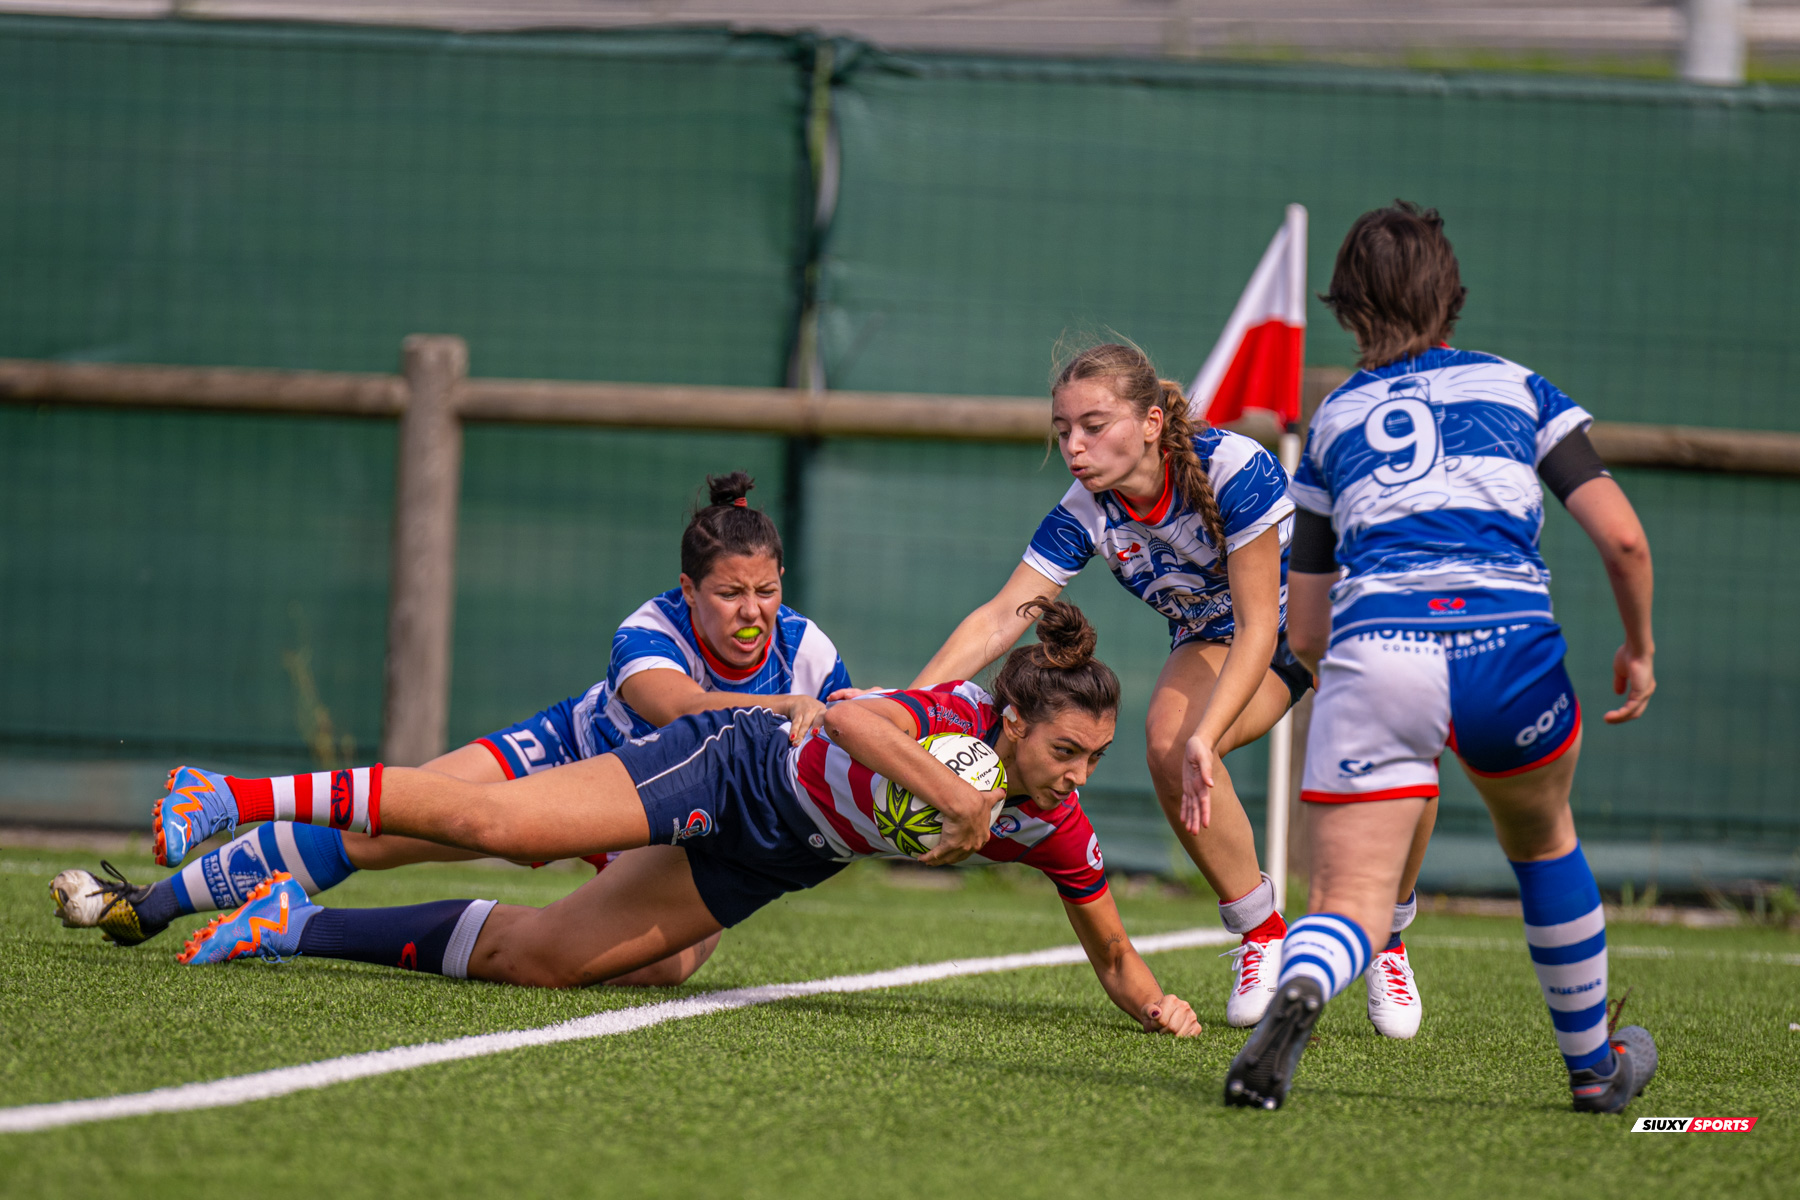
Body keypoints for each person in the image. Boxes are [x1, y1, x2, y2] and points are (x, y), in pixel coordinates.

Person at [159, 600, 1203, 1037]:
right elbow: (846, 720)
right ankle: (234, 795)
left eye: (1094, 760)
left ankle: (291, 923)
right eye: (1064, 752)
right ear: (1011, 722)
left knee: (550, 963)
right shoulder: (959, 717)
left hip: (776, 861)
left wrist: (1156, 1005)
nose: (1076, 776)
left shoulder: (1058, 826)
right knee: (512, 829)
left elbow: (1112, 951)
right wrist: (955, 796)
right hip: (736, 767)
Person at [50, 472, 851, 986]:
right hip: (565, 765)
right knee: (379, 835)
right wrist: (777, 710)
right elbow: (673, 710)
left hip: (668, 831)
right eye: (731, 594)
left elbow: (851, 746)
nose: (753, 613)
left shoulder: (809, 650)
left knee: (662, 968)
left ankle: (287, 924)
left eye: (768, 591)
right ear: (687, 590)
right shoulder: (648, 631)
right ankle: (154, 897)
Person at [1224, 201, 1658, 1112]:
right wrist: (1639, 649)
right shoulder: (1516, 386)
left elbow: (1305, 629)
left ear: (1346, 307)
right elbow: (1623, 542)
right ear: (1452, 294)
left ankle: (1302, 989)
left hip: (1380, 646)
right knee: (1543, 844)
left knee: (1347, 896)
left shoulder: (1336, 419)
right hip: (1509, 645)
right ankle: (1593, 1072)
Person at [901, 340, 1433, 1031]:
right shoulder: (1085, 508)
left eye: (1094, 425)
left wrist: (1209, 736)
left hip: (1318, 625)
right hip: (1222, 639)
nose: (1074, 446)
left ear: (1152, 423)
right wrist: (903, 714)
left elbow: (1259, 629)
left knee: (1402, 748)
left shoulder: (1234, 469)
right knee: (1168, 746)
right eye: (1063, 430)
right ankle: (1262, 933)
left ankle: (1387, 936)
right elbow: (1006, 614)